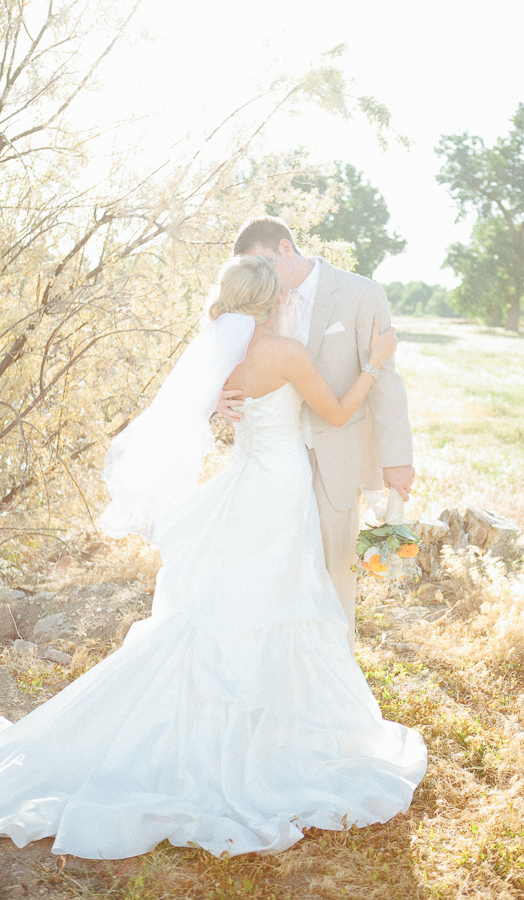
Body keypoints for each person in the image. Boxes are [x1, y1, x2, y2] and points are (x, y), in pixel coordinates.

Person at [0, 255, 427, 861]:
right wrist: (372, 364)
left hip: (242, 483)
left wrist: (222, 409)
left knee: (227, 605)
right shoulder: (287, 353)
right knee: (279, 603)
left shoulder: (222, 352)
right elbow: (335, 412)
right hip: (280, 492)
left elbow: (202, 412)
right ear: (276, 298)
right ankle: (267, 738)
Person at [218, 217, 414, 654]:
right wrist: (217, 399)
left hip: (337, 455)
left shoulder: (362, 293)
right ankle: (276, 664)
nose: (262, 278)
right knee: (272, 570)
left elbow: (387, 382)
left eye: (265, 264)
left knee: (332, 570)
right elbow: (221, 365)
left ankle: (334, 670)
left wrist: (396, 458)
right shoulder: (255, 303)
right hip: (274, 463)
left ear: (286, 249)